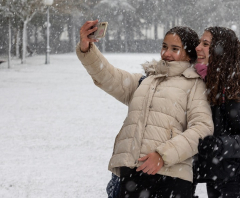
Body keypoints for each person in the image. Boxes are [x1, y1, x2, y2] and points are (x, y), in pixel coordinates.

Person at [77, 20, 214, 198]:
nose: (166, 53)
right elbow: (109, 76)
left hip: (171, 179)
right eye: (164, 46)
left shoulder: (195, 85)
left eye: (175, 48)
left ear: (188, 54)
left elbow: (202, 128)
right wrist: (87, 48)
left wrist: (162, 155)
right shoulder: (146, 81)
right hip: (133, 174)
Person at [192, 26, 240, 198]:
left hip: (237, 181)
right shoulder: (211, 82)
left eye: (206, 44)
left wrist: (218, 145)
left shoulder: (233, 90)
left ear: (220, 50)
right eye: (199, 42)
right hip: (220, 175)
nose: (198, 47)